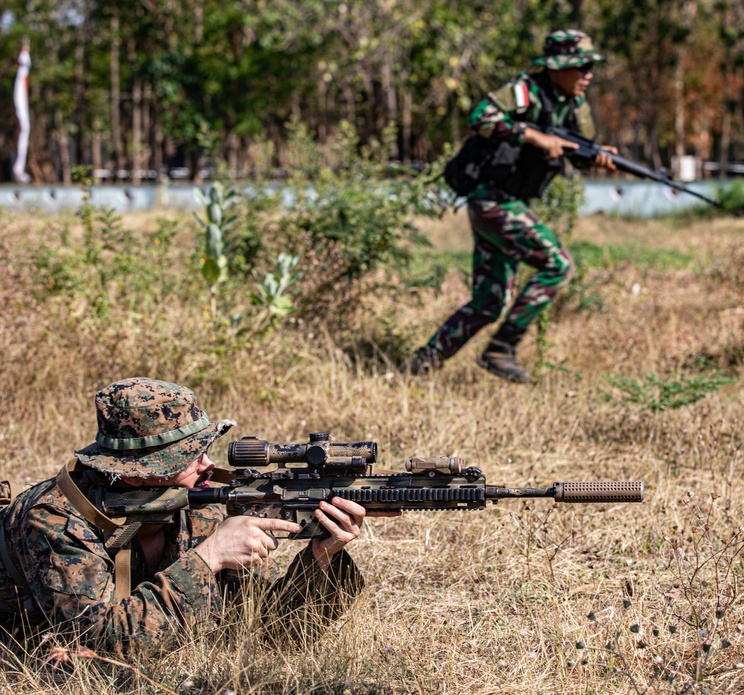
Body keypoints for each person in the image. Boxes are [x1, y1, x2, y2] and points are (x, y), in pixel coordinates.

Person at [0, 377, 387, 656]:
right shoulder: (53, 520)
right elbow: (104, 643)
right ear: (137, 471)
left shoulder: (199, 503)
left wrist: (322, 556)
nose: (209, 463)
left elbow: (273, 633)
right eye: (191, 455)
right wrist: (209, 558)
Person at [406, 29, 617, 384]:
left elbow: (575, 151)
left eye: (590, 67)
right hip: (493, 200)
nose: (588, 75)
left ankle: (422, 362)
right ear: (555, 67)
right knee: (557, 264)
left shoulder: (573, 106)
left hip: (509, 203)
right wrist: (534, 136)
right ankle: (501, 348)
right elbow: (482, 116)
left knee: (488, 302)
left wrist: (599, 158)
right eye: (580, 67)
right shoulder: (526, 91)